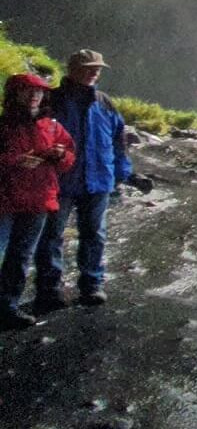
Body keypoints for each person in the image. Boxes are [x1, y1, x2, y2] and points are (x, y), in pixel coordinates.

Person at [42, 48, 137, 308]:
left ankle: (92, 285)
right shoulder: (52, 100)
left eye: (97, 68)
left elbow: (119, 141)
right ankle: (49, 289)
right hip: (59, 180)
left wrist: (122, 173)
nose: (95, 72)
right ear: (73, 69)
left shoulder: (104, 102)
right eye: (89, 67)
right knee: (52, 235)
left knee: (94, 234)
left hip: (97, 179)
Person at [0, 72, 76, 330]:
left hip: (38, 198)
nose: (34, 96)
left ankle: (7, 307)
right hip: (6, 199)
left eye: (39, 92)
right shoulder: (4, 126)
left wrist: (60, 154)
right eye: (28, 91)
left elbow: (69, 157)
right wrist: (14, 161)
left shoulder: (52, 126)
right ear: (15, 94)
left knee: (21, 256)